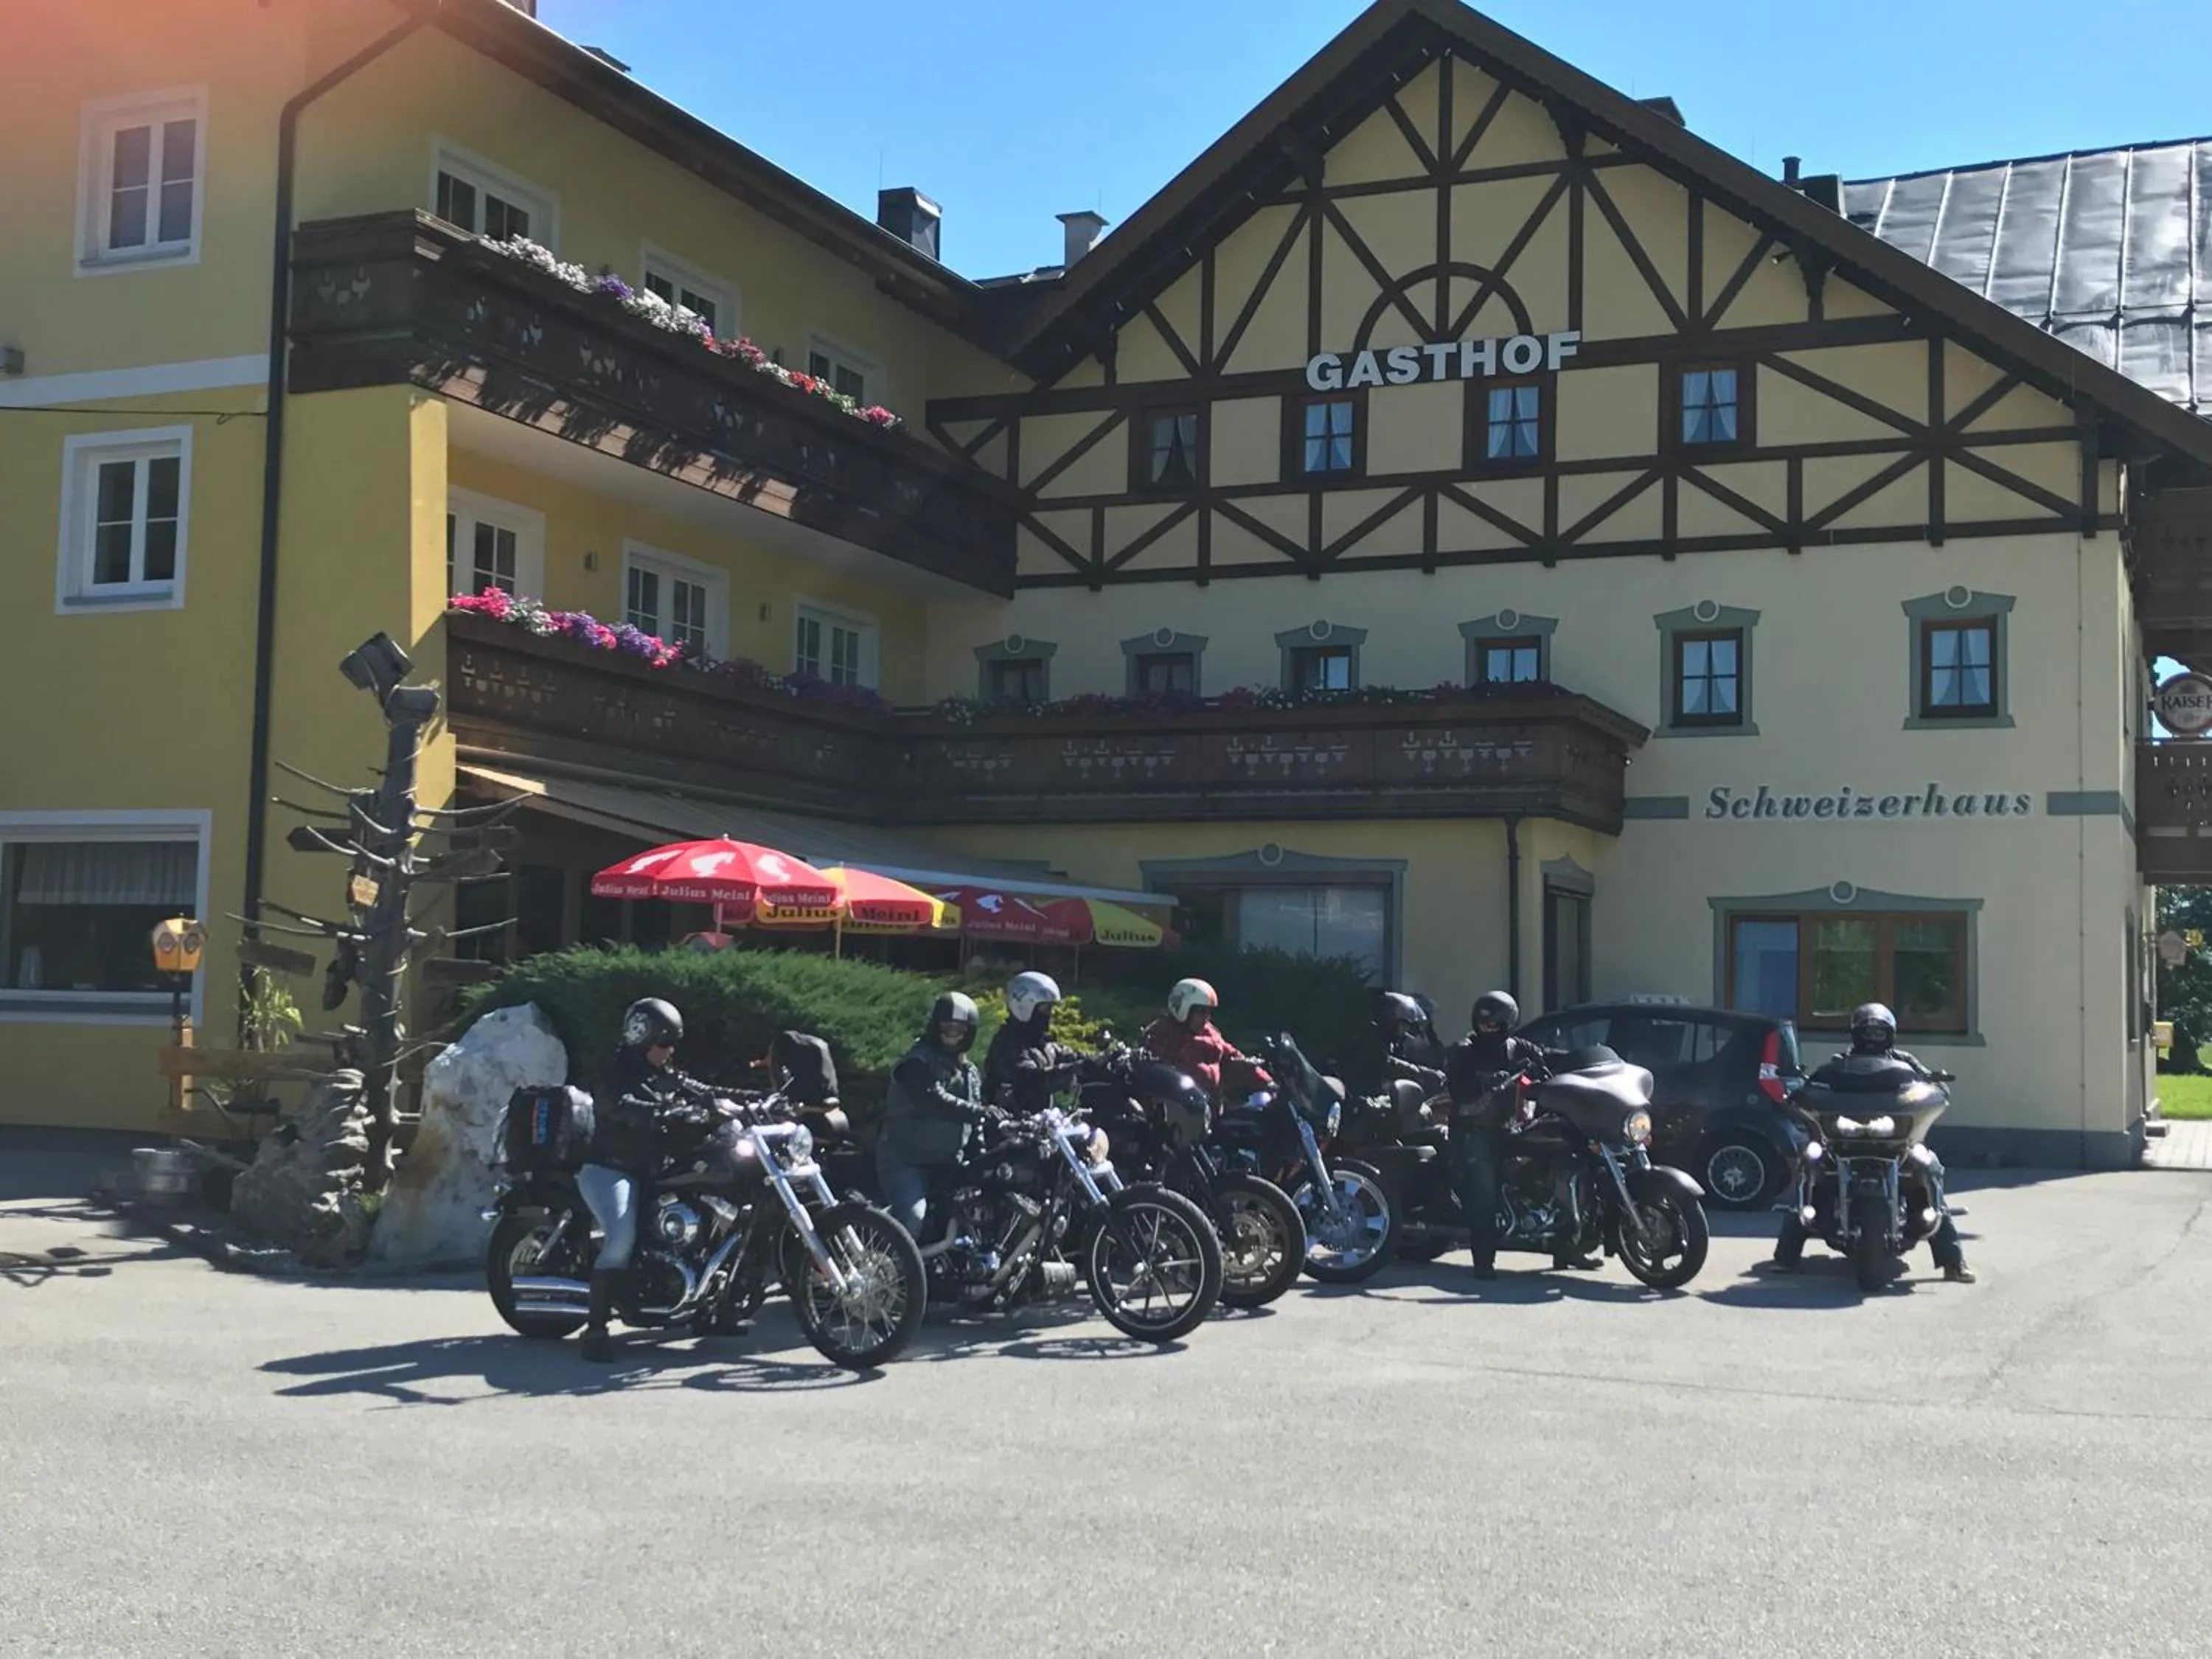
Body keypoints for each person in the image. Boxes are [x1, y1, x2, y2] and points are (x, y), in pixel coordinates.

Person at [1773, 1002, 1976, 1283]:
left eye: (1879, 1032)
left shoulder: (1905, 1062)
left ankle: (1953, 1262)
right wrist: (1803, 1091)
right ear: (1855, 1034)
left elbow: (1930, 1084)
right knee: (1811, 1164)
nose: (1873, 1038)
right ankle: (1786, 1257)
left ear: (1890, 1034)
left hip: (1896, 1143)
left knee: (1928, 1167)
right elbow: (1814, 1083)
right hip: (1844, 1142)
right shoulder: (1839, 1064)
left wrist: (1935, 1086)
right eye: (1867, 1032)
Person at [577, 996, 714, 1363]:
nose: (670, 1051)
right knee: (621, 1238)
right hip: (611, 1169)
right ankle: (595, 1331)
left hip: (652, 1170)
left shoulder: (662, 1073)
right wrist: (661, 1113)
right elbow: (616, 1105)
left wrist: (748, 1102)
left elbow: (700, 1091)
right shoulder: (613, 1071)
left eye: (672, 1044)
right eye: (664, 1043)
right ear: (642, 1037)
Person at [1441, 990, 1594, 1280]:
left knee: (1566, 1165)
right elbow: (1459, 1086)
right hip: (1475, 1131)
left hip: (1513, 1127)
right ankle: (1483, 1262)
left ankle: (1567, 1246)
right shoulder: (1465, 1051)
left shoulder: (1518, 1047)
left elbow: (1546, 1058)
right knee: (1485, 1193)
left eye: (1493, 1024)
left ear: (1507, 1024)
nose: (1487, 1029)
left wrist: (1578, 1063)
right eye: (1483, 1024)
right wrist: (1485, 1080)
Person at [875, 992, 988, 1238]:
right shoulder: (917, 1063)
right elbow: (935, 1101)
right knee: (913, 1218)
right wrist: (981, 1113)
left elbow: (976, 1124)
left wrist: (982, 1157)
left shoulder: (969, 1071)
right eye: (946, 1026)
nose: (952, 1033)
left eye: (960, 1028)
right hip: (906, 1162)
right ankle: (890, 1261)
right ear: (935, 1026)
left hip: (949, 1164)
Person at [1141, 978, 1265, 1103]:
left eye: (1208, 1013)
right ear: (1183, 1008)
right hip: (1178, 1106)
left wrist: (1267, 1083)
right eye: (1201, 1012)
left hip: (1211, 1106)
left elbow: (1235, 1058)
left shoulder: (1211, 1033)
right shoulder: (1162, 1032)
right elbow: (1152, 1072)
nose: (1206, 1018)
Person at [981, 971, 1083, 1116]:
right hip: (1009, 1124)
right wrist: (1075, 1070)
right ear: (1026, 1007)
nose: (1051, 1014)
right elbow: (1031, 1079)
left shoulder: (1039, 1041)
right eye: (1046, 1009)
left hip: (1039, 1124)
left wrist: (1098, 1060)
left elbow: (1067, 1055)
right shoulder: (1007, 1043)